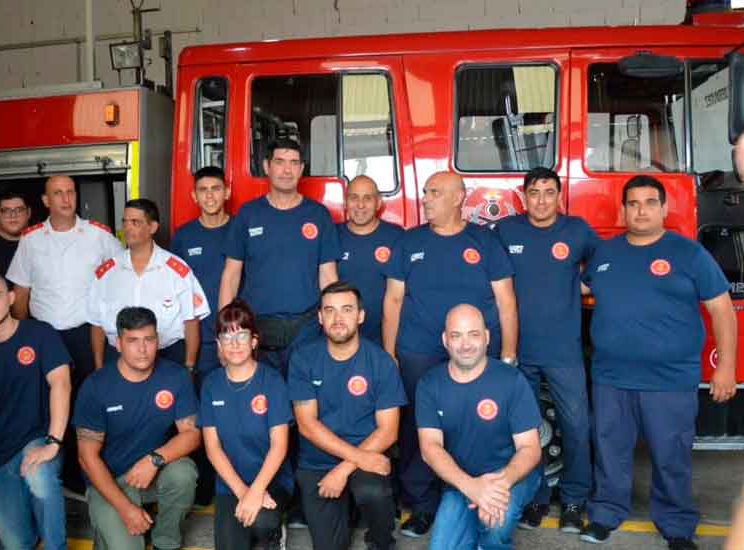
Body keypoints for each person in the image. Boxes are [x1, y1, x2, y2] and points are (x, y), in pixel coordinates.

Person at [579, 176, 738, 550]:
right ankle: (605, 513)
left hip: (669, 379)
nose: (641, 210)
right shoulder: (605, 253)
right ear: (623, 210)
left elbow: (721, 310)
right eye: (633, 203)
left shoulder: (690, 254)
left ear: (665, 209)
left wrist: (725, 367)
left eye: (650, 202)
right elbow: (579, 288)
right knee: (610, 452)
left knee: (671, 456)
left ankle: (677, 526)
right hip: (611, 377)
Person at [384, 170, 518, 537]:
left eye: (435, 193)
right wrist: (388, 353)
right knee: (417, 429)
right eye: (426, 192)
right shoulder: (409, 242)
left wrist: (507, 357)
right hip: (419, 354)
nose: (426, 198)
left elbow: (506, 301)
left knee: (478, 426)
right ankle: (422, 504)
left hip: (472, 354)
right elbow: (393, 299)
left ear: (459, 198)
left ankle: (479, 494)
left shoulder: (485, 241)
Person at [493, 167, 599, 532]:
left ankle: (573, 501)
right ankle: (534, 499)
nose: (541, 200)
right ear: (524, 197)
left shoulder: (577, 230)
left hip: (563, 353)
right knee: (527, 432)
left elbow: (603, 268)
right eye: (534, 192)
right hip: (518, 352)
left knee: (576, 427)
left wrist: (580, 288)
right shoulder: (506, 231)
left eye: (548, 192)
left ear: (559, 196)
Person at [288, 281, 407, 550]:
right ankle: (347, 513)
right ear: (320, 317)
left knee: (373, 492)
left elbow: (388, 431)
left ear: (361, 316)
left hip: (366, 455)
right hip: (317, 463)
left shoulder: (380, 362)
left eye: (346, 310)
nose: (338, 318)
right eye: (329, 311)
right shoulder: (303, 359)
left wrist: (344, 469)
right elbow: (307, 425)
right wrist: (355, 460)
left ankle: (380, 542)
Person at [0, 271, 71, 550]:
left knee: (40, 478)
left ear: (10, 298)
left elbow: (61, 384)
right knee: (16, 545)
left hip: (39, 439)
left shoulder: (40, 333)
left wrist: (53, 443)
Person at [416, 304, 542, 550]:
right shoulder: (430, 384)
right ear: (445, 340)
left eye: (473, 334)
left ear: (487, 337)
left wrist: (497, 488)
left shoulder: (511, 380)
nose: (465, 344)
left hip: (512, 476)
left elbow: (530, 448)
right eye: (456, 335)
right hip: (461, 480)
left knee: (495, 526)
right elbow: (429, 448)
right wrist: (472, 487)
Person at [75, 307, 201, 550]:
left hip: (151, 473)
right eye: (133, 341)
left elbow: (193, 434)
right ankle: (108, 531)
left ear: (158, 340)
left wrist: (154, 460)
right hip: (109, 481)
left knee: (184, 473)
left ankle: (166, 542)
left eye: (149, 340)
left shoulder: (175, 376)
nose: (142, 349)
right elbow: (86, 457)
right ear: (118, 343)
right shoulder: (96, 386)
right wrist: (126, 509)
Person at [220, 138, 340, 377]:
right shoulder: (248, 214)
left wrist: (333, 322)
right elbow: (231, 276)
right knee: (262, 405)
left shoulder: (318, 215)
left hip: (306, 329)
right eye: (280, 162)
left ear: (302, 169)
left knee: (305, 401)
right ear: (267, 166)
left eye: (294, 163)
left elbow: (328, 275)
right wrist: (226, 333)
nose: (287, 170)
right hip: (256, 329)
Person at [6, 174, 123, 384]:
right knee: (47, 393)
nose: (66, 199)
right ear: (46, 201)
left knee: (89, 390)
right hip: (44, 333)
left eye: (70, 192)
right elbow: (21, 292)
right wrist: (23, 335)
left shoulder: (99, 235)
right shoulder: (31, 239)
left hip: (88, 334)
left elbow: (122, 278)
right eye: (58, 193)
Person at [199, 299, 291, 550]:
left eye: (242, 335)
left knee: (262, 521)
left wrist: (257, 490)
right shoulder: (211, 384)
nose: (235, 344)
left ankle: (273, 536)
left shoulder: (272, 381)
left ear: (254, 341)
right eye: (227, 338)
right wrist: (244, 493)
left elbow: (279, 446)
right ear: (218, 344)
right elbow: (213, 448)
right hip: (231, 484)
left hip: (271, 480)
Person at [88, 198, 209, 370]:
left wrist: (189, 366)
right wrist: (99, 368)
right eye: (125, 222)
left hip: (166, 357)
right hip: (118, 359)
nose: (127, 228)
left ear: (152, 227)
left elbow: (191, 322)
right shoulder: (107, 272)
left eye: (135, 222)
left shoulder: (176, 270)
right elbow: (97, 323)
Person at [170, 165, 232, 379]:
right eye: (202, 190)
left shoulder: (241, 230)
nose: (209, 195)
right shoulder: (183, 237)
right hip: (201, 339)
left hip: (237, 334)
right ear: (194, 196)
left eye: (215, 188)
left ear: (227, 192)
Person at [337, 175, 404, 343]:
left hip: (384, 339)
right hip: (340, 339)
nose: (360, 205)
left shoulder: (397, 238)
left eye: (367, 198)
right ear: (345, 203)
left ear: (378, 203)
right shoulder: (331, 236)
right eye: (354, 198)